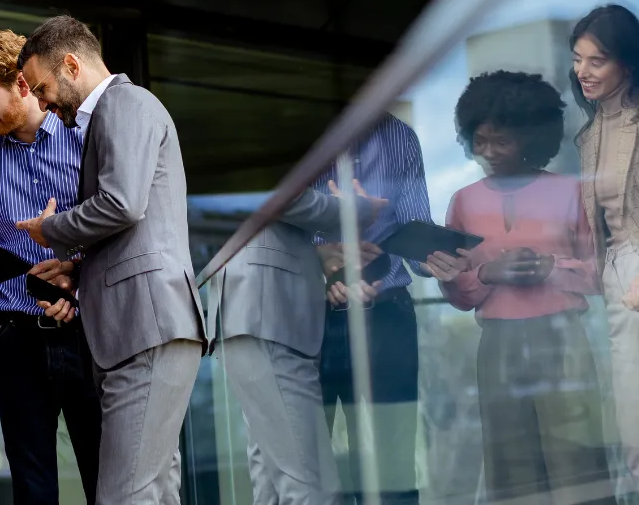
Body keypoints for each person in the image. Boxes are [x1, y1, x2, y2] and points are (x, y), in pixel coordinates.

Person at [14, 15, 207, 505]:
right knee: (155, 493)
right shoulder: (120, 111)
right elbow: (137, 224)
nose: (40, 103)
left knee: (126, 496)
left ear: (72, 65)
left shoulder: (123, 102)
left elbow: (122, 203)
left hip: (145, 327)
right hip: (143, 327)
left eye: (40, 88)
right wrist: (78, 270)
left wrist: (48, 230)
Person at [425, 70, 611, 504]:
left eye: (501, 141)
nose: (488, 152)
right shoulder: (464, 201)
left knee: (576, 457)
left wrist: (549, 266)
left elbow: (601, 272)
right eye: (479, 141)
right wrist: (487, 274)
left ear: (531, 137)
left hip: (562, 338)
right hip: (497, 343)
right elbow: (460, 294)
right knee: (510, 463)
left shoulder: (571, 193)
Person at [0, 29, 101, 504]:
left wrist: (76, 277)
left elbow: (117, 230)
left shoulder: (86, 140)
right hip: (17, 339)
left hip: (90, 330)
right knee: (31, 487)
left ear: (23, 85)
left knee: (105, 475)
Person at [218, 185, 385, 505]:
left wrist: (319, 253)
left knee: (274, 483)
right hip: (268, 313)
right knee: (312, 486)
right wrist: (359, 209)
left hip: (255, 310)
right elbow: (282, 194)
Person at [310, 113, 432, 504]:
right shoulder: (297, 130)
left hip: (387, 313)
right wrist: (322, 272)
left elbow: (415, 225)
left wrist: (435, 255)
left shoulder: (399, 136)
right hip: (314, 316)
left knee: (393, 459)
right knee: (311, 458)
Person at [571, 4, 639, 489]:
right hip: (617, 276)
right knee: (631, 425)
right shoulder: (590, 132)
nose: (582, 71)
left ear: (629, 63)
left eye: (597, 61)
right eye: (577, 59)